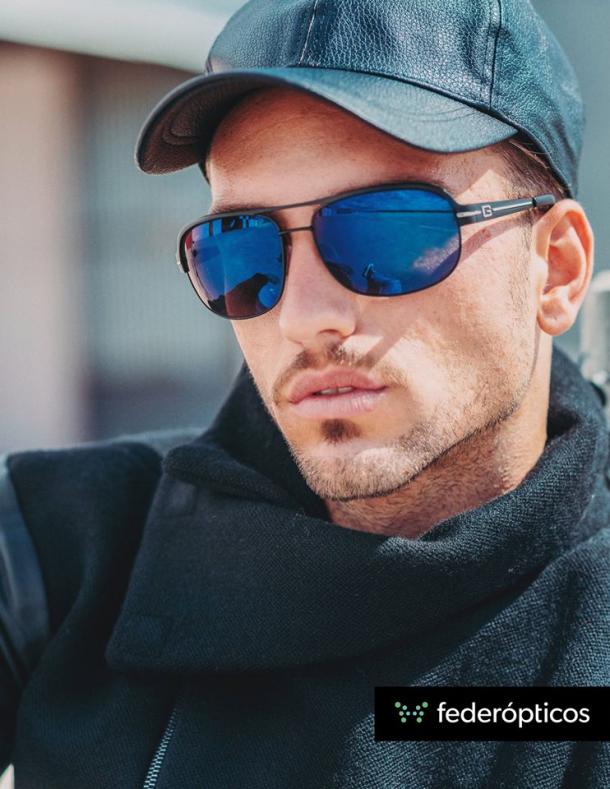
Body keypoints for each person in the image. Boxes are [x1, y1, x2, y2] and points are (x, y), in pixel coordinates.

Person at [2, 0, 609, 786]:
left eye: (387, 231)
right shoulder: (56, 556)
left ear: (555, 269)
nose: (301, 315)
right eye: (241, 248)